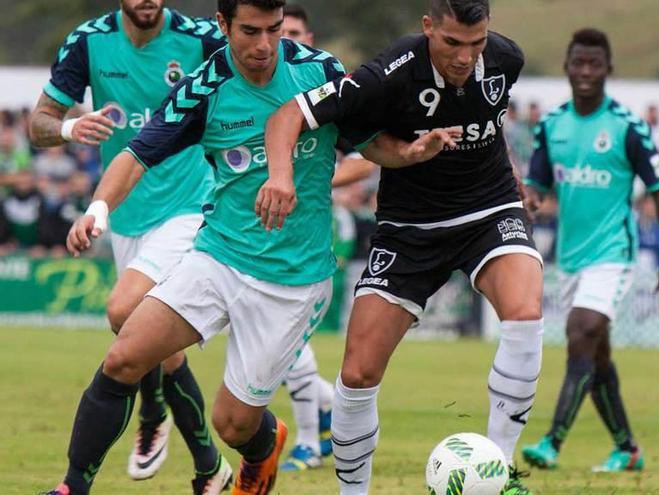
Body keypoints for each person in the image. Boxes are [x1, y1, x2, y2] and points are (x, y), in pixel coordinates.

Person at [40, 1, 455, 494]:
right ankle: (71, 487)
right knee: (124, 357)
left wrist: (409, 153)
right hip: (218, 257)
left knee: (233, 424)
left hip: (293, 280)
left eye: (273, 30)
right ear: (223, 26)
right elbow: (136, 154)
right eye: (250, 32)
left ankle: (263, 448)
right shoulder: (204, 87)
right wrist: (98, 210)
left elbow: (369, 142)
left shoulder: (319, 72)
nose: (263, 46)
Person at [261, 1, 543, 493]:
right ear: (428, 27)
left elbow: (490, 127)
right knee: (358, 372)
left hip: (489, 210)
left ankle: (501, 469)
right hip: (409, 226)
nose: (464, 57)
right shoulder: (386, 75)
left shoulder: (505, 59)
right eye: (452, 43)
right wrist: (282, 177)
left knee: (525, 312)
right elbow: (289, 116)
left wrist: (516, 183)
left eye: (475, 43)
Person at [28, 1, 230, 490]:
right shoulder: (89, 41)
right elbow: (40, 123)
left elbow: (253, 80)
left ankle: (152, 412)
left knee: (123, 310)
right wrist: (71, 128)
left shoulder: (201, 38)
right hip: (124, 213)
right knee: (142, 337)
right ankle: (209, 467)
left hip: (190, 206)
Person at [519, 27, 659, 473]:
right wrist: (530, 196)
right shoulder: (552, 126)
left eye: (594, 64)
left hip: (614, 253)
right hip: (570, 257)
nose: (586, 71)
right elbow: (537, 181)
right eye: (578, 63)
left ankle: (552, 442)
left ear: (609, 68)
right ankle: (627, 448)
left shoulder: (627, 127)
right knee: (594, 356)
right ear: (567, 67)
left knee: (580, 331)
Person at [277, 2, 377, 472]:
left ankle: (307, 444)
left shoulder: (322, 94)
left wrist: (319, 181)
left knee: (287, 344)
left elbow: (368, 154)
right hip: (243, 241)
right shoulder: (249, 86)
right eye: (281, 32)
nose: (285, 41)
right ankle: (330, 413)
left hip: (305, 244)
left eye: (295, 33)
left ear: (310, 39)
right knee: (267, 356)